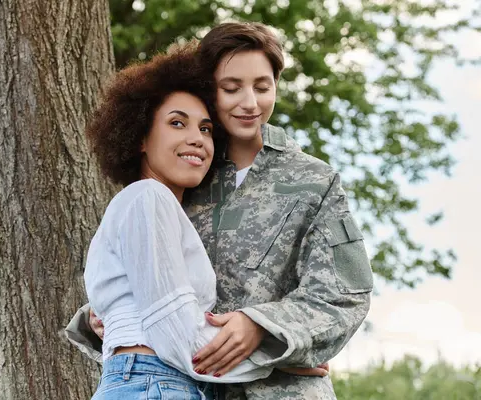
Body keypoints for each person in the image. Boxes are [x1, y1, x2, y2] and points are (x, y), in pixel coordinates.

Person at [67, 22, 373, 400]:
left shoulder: (314, 181)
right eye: (231, 88)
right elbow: (147, 275)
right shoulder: (182, 173)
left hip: (280, 392)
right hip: (182, 384)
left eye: (263, 87)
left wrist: (262, 328)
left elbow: (343, 297)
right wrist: (103, 318)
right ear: (208, 90)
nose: (250, 102)